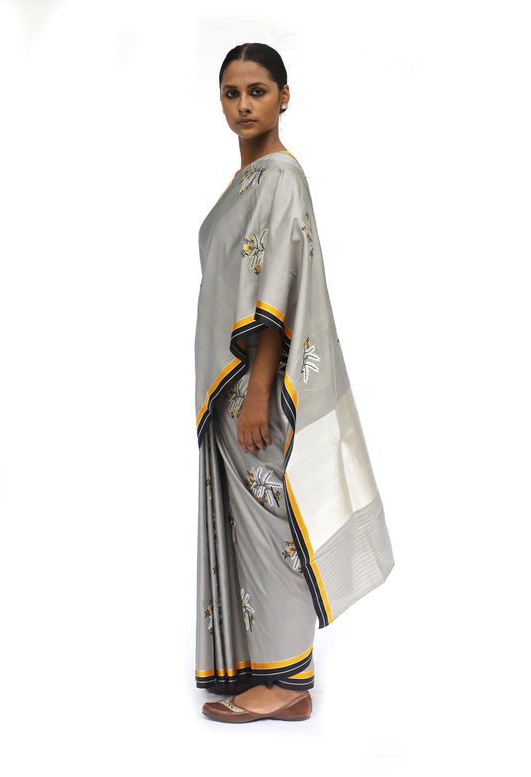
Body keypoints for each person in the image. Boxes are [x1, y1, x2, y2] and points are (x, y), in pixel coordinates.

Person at [194, 42, 395, 723]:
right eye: (231, 93)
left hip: (256, 389)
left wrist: (257, 391)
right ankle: (255, 664)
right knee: (251, 522)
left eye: (257, 91)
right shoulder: (245, 181)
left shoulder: (280, 176)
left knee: (269, 524)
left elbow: (274, 289)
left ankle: (285, 684)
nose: (243, 105)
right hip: (228, 390)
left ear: (284, 95)